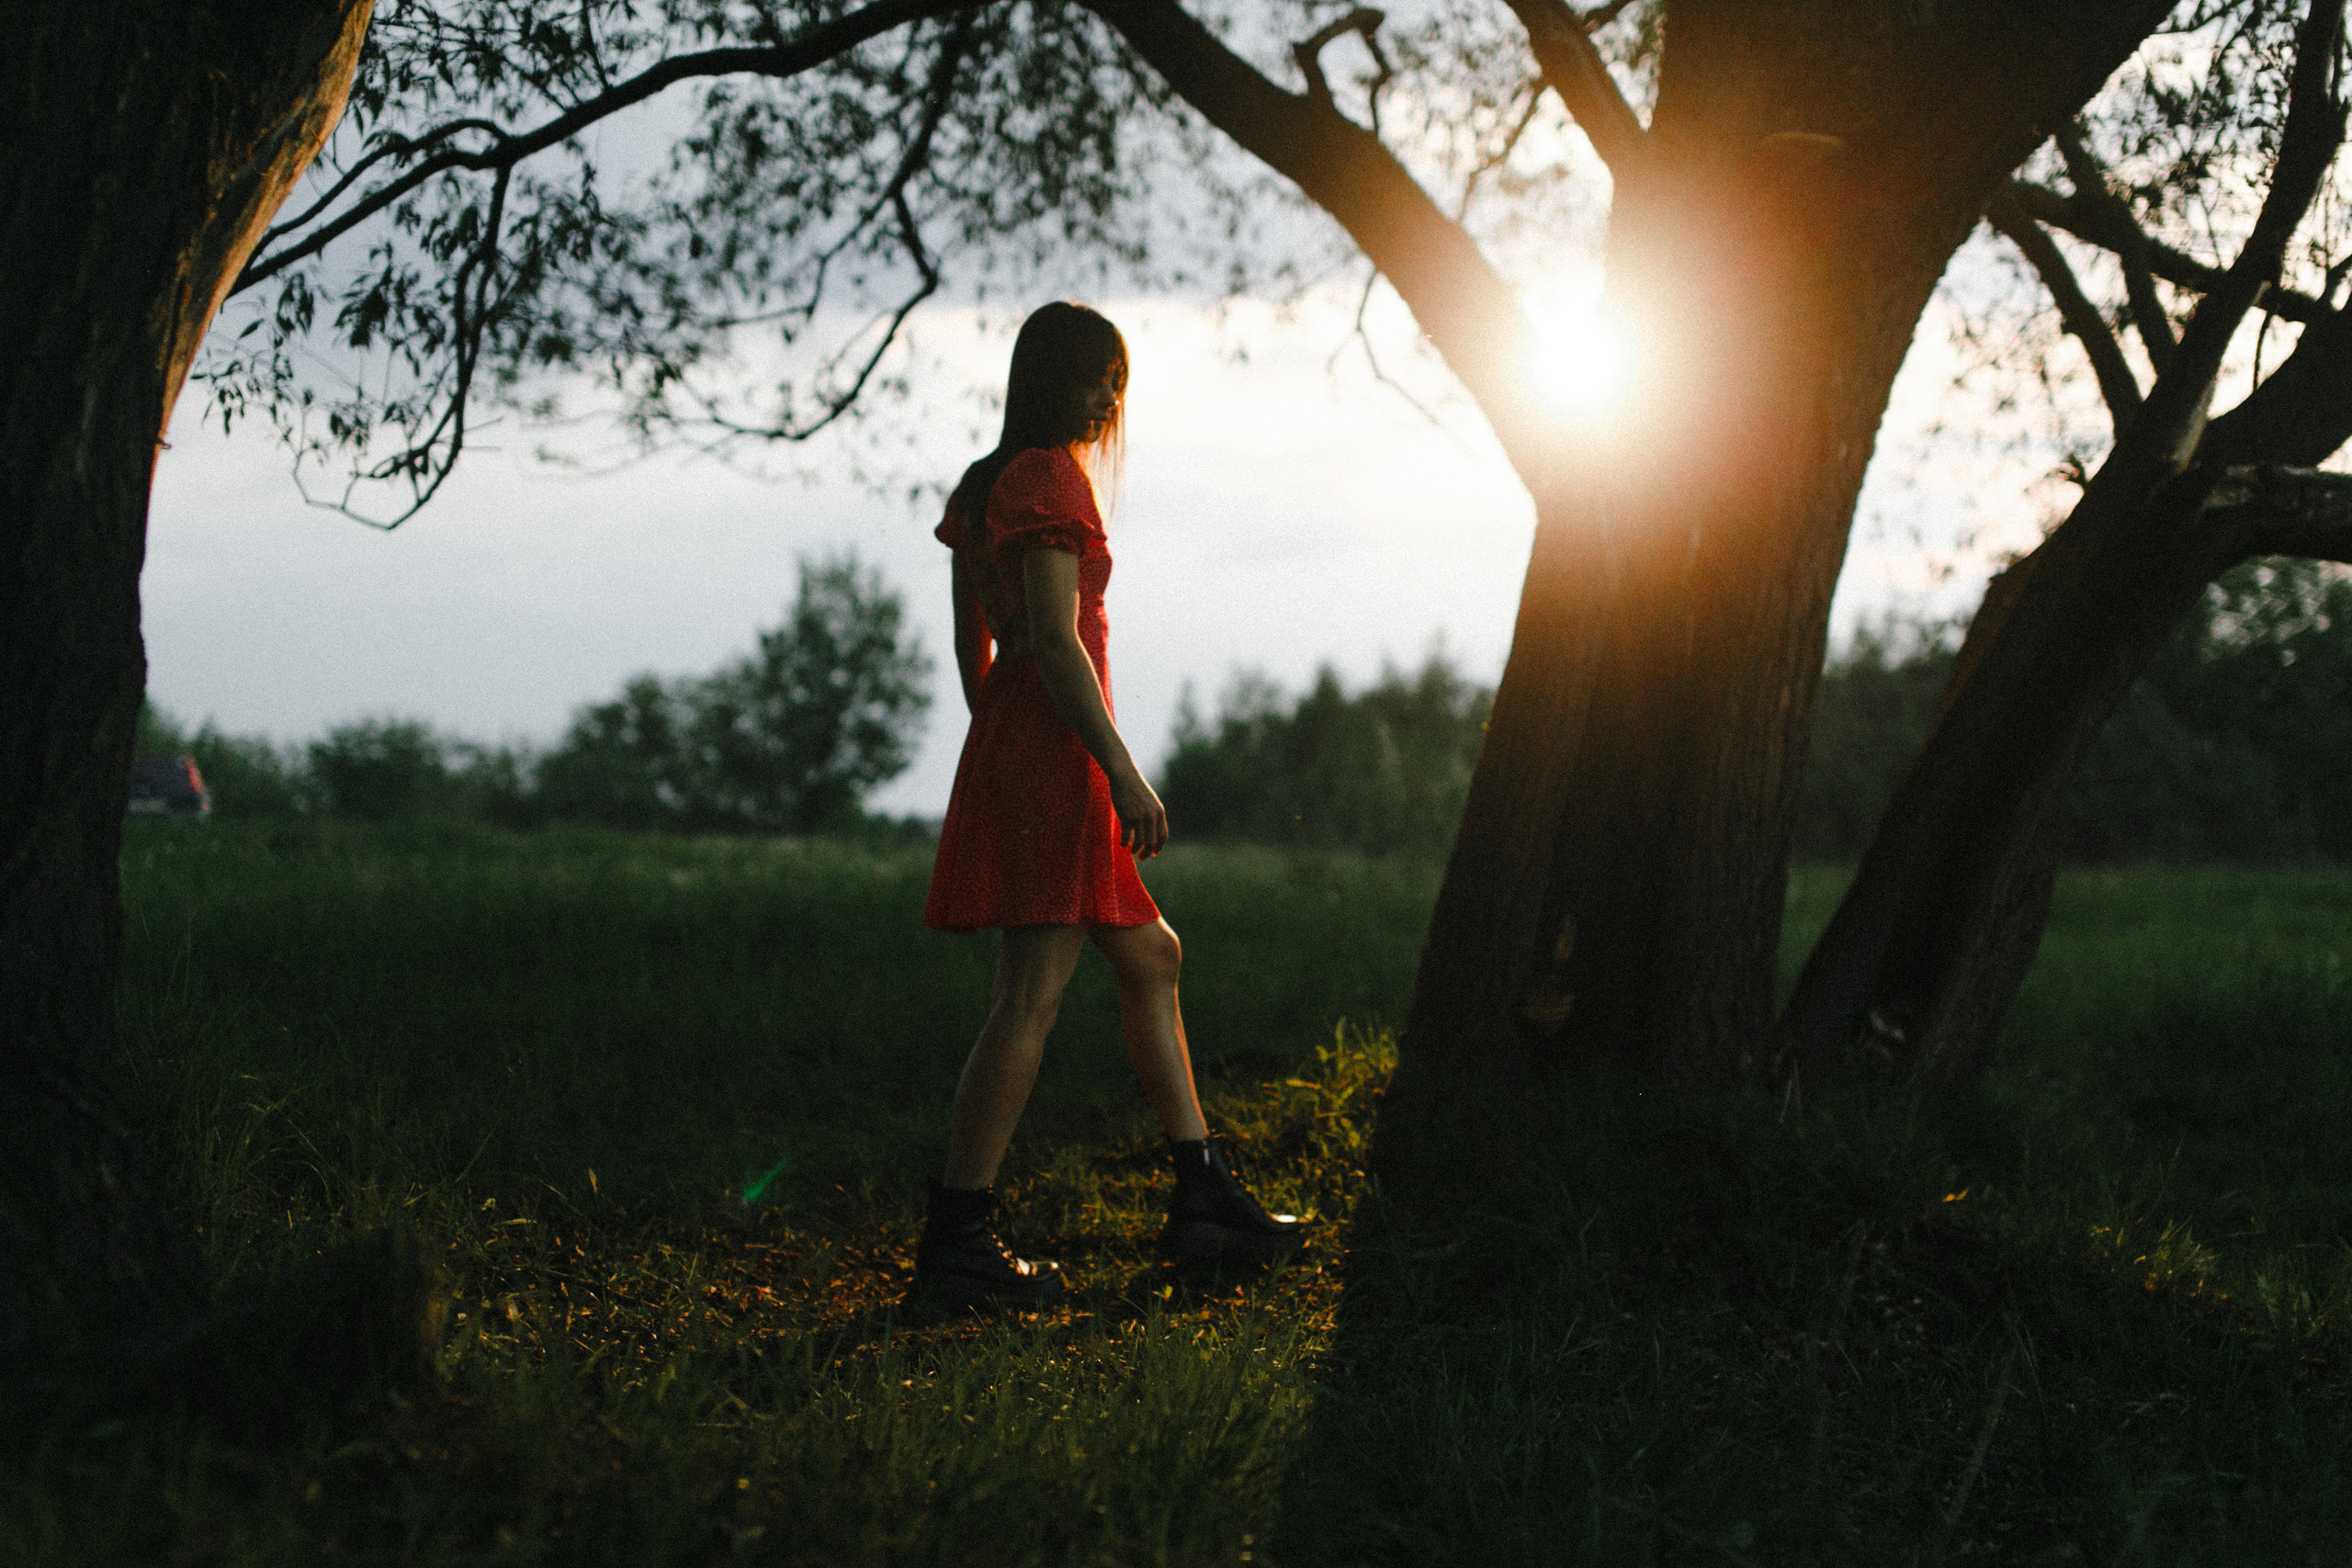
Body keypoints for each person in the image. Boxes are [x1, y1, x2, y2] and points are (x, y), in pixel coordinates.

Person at [915, 301, 1303, 1308]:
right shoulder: (1047, 477)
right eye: (1096, 377)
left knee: (1152, 953)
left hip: (1026, 743)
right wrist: (1119, 769)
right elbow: (1051, 639)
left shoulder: (983, 482)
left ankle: (1201, 1195)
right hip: (1059, 752)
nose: (1107, 398)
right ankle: (959, 1241)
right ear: (1047, 377)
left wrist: (993, 730)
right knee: (1028, 998)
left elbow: (974, 643)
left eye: (1118, 381)